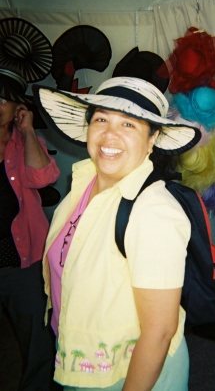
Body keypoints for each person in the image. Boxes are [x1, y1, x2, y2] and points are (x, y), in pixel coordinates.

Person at [33, 76, 201, 391]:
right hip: (81, 358)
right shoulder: (83, 182)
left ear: (152, 139)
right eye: (101, 119)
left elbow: (159, 332)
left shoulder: (153, 211)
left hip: (131, 374)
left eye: (129, 125)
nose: (110, 134)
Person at [0, 67, 60, 391]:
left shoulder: (25, 144)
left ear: (17, 108)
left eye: (3, 99)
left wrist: (27, 131)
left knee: (36, 339)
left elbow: (43, 178)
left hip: (22, 261)